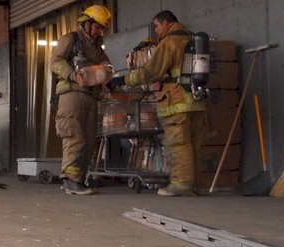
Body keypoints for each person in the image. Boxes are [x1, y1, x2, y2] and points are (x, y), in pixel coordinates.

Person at [108, 10, 205, 196]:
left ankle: (180, 185)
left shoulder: (169, 42)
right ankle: (194, 185)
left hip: (176, 101)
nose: (156, 30)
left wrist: (123, 80)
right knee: (194, 144)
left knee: (178, 143)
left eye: (157, 25)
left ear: (166, 23)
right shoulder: (192, 39)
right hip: (196, 100)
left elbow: (151, 72)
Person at [49, 4, 112, 195]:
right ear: (87, 24)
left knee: (89, 140)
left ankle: (79, 180)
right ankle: (70, 179)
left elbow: (106, 69)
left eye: (101, 28)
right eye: (97, 26)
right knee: (74, 136)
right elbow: (55, 62)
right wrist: (72, 74)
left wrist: (110, 80)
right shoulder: (71, 39)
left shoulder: (97, 48)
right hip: (72, 95)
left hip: (91, 97)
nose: (99, 31)